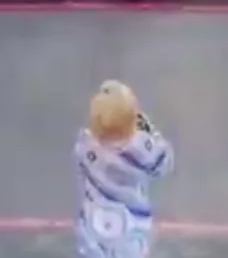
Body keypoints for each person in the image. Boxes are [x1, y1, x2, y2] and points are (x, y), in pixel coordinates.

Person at [74, 81, 174, 258]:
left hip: (94, 225)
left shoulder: (85, 146)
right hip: (132, 225)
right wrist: (150, 131)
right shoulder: (143, 148)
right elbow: (163, 164)